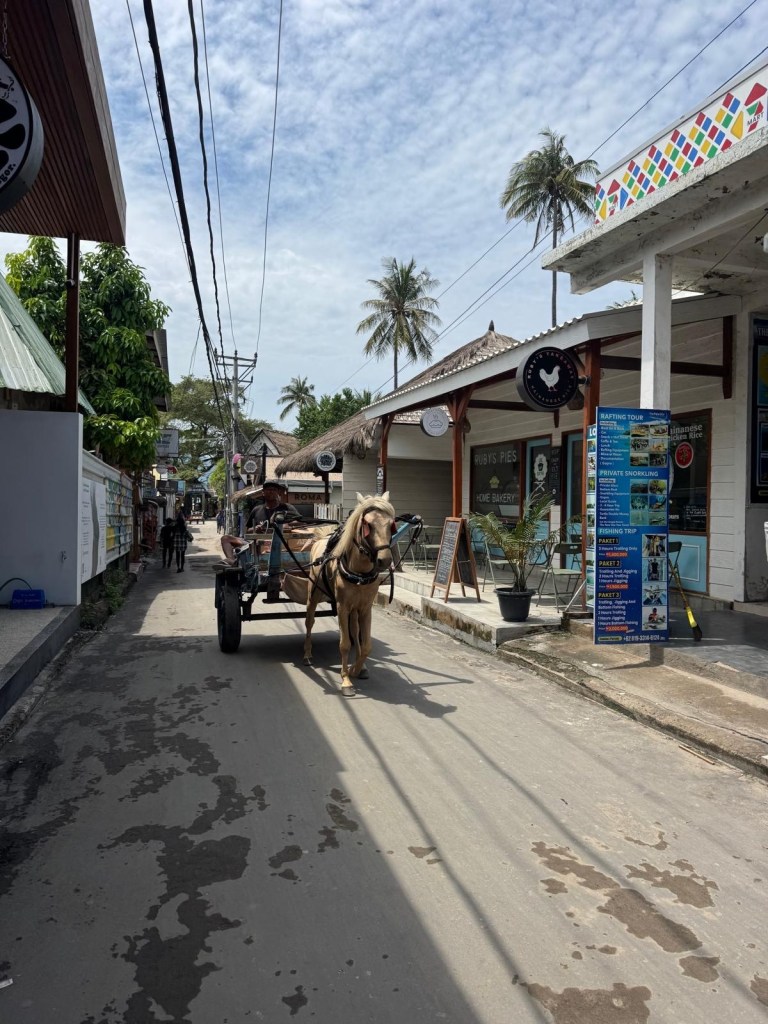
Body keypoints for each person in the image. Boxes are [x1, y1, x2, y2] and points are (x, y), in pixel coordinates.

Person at [220, 480, 299, 565]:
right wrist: (255, 528)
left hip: (280, 543)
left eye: (274, 489)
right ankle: (232, 561)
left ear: (278, 493)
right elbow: (248, 530)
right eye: (268, 489)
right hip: (256, 543)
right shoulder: (257, 510)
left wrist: (286, 524)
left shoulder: (287, 508)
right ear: (263, 493)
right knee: (225, 538)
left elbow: (301, 522)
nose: (271, 492)